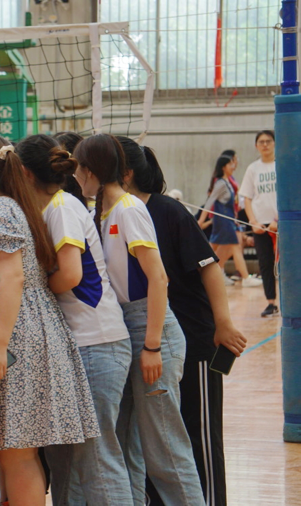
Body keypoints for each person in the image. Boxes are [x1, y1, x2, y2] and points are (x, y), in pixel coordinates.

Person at [0, 135, 99, 506]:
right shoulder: (15, 206)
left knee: (17, 452)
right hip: (29, 326)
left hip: (17, 333)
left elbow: (13, 278)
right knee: (17, 450)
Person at [72, 133, 204, 505]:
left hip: (150, 327)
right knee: (128, 444)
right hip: (125, 327)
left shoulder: (129, 209)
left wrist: (152, 346)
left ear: (92, 171)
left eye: (79, 169)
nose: (76, 177)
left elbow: (158, 278)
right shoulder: (102, 212)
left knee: (165, 448)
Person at [120, 136, 247, 506]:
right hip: (147, 342)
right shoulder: (113, 214)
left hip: (192, 339)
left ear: (124, 173)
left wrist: (223, 323)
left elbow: (210, 267)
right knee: (155, 437)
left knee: (198, 431)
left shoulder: (168, 211)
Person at [16, 134, 133, 505]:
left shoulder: (62, 207)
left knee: (97, 458)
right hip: (77, 347)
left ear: (24, 173)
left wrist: (30, 290)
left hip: (97, 344)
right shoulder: (48, 208)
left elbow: (70, 275)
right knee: (66, 459)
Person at [198, 154, 262, 287]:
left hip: (229, 221)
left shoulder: (228, 182)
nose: (233, 166)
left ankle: (208, 272)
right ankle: (246, 277)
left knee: (214, 249)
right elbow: (209, 202)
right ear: (224, 167)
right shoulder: (220, 183)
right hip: (223, 222)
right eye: (230, 164)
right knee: (234, 247)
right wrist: (200, 221)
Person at [240, 130, 278, 317]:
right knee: (265, 263)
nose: (265, 145)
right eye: (261, 142)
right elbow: (247, 197)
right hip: (260, 226)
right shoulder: (252, 169)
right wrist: (253, 222)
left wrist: (277, 220)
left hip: (281, 224)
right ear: (256, 145)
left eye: (268, 141)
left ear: (274, 143)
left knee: (288, 265)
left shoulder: (281, 166)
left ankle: (292, 303)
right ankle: (271, 303)